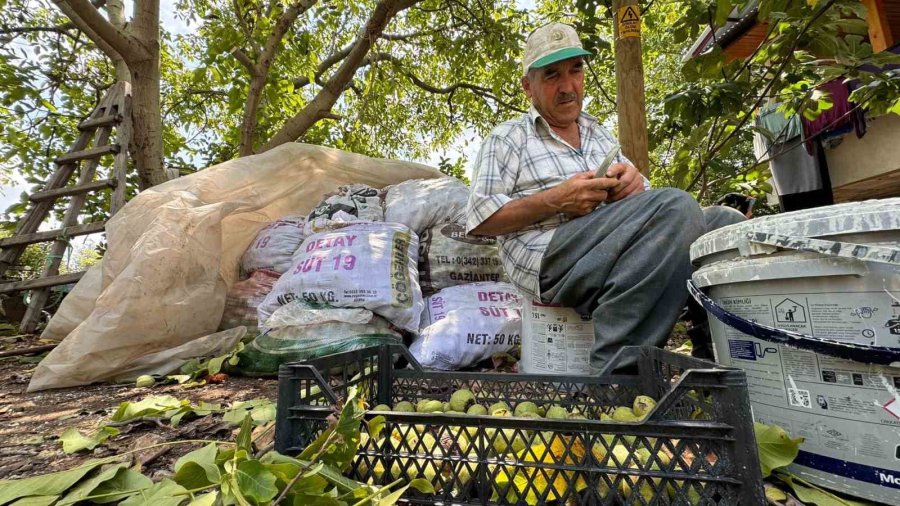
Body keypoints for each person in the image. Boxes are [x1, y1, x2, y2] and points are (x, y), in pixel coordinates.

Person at [465, 22, 745, 371]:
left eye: (576, 70)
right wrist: (555, 200)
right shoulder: (508, 138)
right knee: (677, 207)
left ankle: (717, 357)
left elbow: (649, 200)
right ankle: (616, 373)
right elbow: (479, 221)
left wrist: (632, 184)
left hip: (607, 245)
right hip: (549, 259)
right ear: (528, 87)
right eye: (552, 75)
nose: (568, 86)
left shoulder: (597, 132)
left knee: (724, 225)